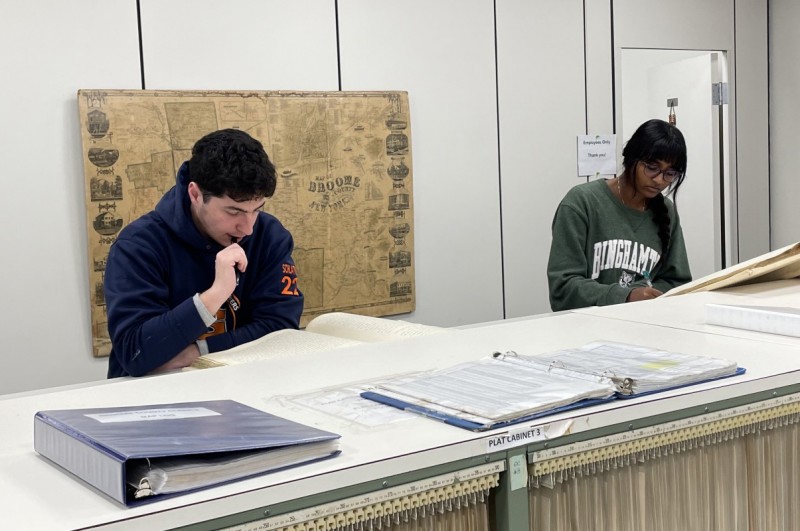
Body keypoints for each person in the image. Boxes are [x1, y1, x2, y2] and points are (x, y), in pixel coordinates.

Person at [104, 129, 303, 377]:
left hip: (241, 386)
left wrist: (197, 353)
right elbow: (135, 353)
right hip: (152, 396)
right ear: (195, 194)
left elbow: (280, 330)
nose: (248, 227)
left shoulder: (270, 235)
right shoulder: (138, 245)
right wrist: (216, 293)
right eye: (234, 212)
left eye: (257, 209)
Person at [547, 118, 692, 311]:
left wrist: (648, 296)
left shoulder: (667, 211)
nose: (659, 180)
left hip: (645, 326)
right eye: (651, 168)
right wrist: (626, 296)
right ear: (631, 158)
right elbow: (563, 288)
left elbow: (677, 283)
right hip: (585, 329)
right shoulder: (581, 203)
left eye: (670, 173)